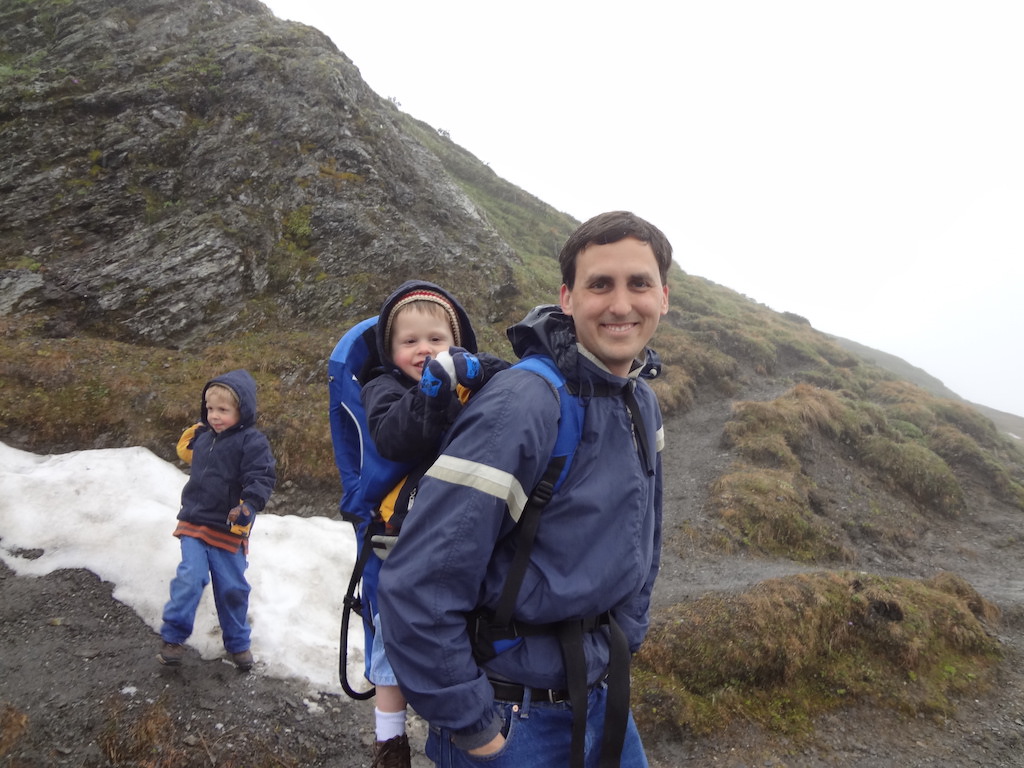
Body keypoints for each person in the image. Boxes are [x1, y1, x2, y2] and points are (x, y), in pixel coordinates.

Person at [378, 211, 672, 768]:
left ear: (664, 296)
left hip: (603, 697)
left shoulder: (641, 402)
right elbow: (420, 581)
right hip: (513, 719)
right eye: (599, 284)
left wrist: (625, 637)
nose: (620, 304)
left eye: (639, 283)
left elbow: (646, 534)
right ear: (567, 297)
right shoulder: (524, 404)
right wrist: (476, 728)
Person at [359, 280, 509, 767]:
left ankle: (461, 716)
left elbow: (515, 382)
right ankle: (389, 741)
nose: (424, 349)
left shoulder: (470, 377)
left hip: (462, 527)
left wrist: (476, 369)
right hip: (401, 537)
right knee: (392, 637)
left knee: (458, 629)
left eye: (436, 340)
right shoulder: (383, 388)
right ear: (391, 351)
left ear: (457, 342)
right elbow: (394, 438)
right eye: (409, 342)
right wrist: (433, 388)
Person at [158, 369, 276, 672]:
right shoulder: (204, 437)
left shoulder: (252, 442)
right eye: (209, 409)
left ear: (243, 410)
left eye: (223, 410)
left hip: (229, 528)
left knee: (232, 589)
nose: (214, 416)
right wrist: (196, 428)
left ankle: (237, 643)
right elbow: (184, 450)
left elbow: (261, 477)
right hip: (194, 523)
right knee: (190, 577)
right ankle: (173, 637)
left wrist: (249, 505)